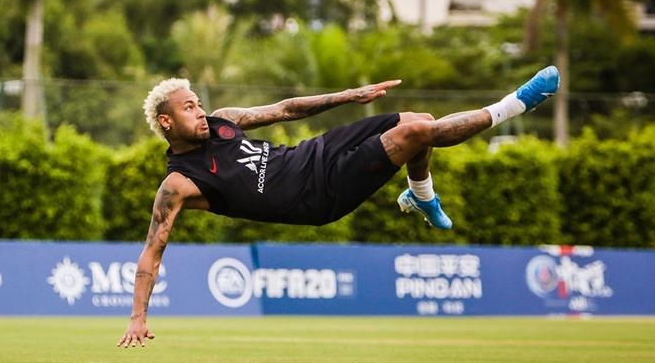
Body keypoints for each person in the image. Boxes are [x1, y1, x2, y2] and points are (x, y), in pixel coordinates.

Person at [117, 66, 560, 349]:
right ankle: (513, 105)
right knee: (416, 137)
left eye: (198, 103)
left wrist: (350, 94)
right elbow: (152, 251)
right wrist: (139, 317)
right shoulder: (178, 183)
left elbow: (287, 108)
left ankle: (421, 193)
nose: (200, 112)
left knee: (416, 121)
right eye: (189, 107)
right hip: (319, 196)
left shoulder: (224, 121)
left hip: (316, 151)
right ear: (166, 121)